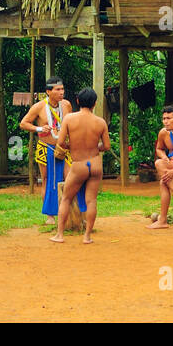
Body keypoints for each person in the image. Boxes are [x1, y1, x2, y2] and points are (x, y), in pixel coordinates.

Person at [19, 77, 83, 224]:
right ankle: (50, 216)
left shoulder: (66, 105)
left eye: (62, 89)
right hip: (46, 147)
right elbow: (23, 123)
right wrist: (40, 128)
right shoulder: (39, 107)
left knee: (70, 178)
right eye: (58, 89)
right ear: (48, 91)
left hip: (64, 148)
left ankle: (71, 212)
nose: (62, 92)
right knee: (48, 180)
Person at [51, 87, 111, 244]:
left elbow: (60, 142)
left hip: (79, 165)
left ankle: (60, 235)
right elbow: (106, 146)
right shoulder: (100, 122)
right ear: (95, 103)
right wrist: (94, 148)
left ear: (77, 101)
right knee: (91, 200)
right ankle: (87, 236)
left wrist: (73, 147)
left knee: (66, 199)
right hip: (95, 164)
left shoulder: (69, 119)